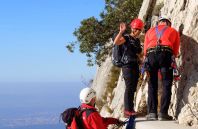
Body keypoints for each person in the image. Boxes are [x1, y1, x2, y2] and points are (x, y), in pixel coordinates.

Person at [143, 15, 180, 120]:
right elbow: (175, 51)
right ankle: (163, 113)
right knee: (166, 84)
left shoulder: (149, 31)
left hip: (151, 55)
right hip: (165, 54)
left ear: (159, 23)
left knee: (152, 84)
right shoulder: (173, 31)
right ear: (168, 23)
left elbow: (145, 49)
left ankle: (152, 113)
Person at [113, 18, 144, 117]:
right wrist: (121, 32)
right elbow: (116, 42)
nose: (139, 32)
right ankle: (127, 110)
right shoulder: (126, 37)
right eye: (138, 29)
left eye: (140, 30)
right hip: (127, 66)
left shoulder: (137, 41)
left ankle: (131, 109)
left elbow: (140, 54)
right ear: (134, 29)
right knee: (129, 87)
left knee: (133, 88)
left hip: (135, 66)